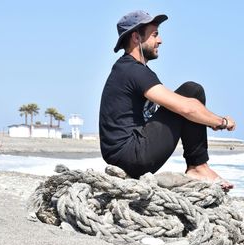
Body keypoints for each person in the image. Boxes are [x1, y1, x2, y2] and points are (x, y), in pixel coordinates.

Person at [99, 10, 236, 190]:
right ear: (136, 37)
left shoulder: (130, 70)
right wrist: (220, 121)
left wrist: (204, 117)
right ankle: (198, 167)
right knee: (191, 91)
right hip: (131, 155)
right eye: (154, 35)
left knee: (190, 98)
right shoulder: (132, 71)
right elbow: (186, 108)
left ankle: (198, 167)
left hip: (129, 155)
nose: (160, 40)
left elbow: (180, 109)